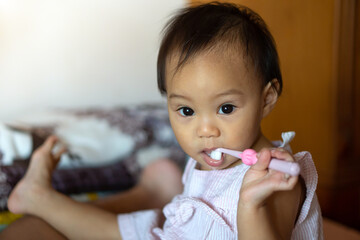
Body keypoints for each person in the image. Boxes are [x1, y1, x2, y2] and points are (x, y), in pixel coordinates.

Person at [2, 2, 323, 239]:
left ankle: (41, 198)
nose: (205, 130)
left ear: (266, 99)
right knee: (59, 231)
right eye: (186, 111)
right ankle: (39, 198)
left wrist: (251, 206)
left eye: (226, 108)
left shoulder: (275, 182)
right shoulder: (212, 159)